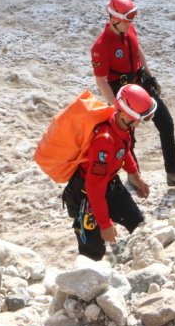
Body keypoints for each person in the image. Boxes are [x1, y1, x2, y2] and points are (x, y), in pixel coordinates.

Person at [90, 0, 175, 186]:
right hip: (121, 92)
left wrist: (150, 77)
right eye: (126, 21)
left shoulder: (129, 30)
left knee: (166, 122)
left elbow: (137, 51)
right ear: (113, 19)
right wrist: (116, 105)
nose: (130, 25)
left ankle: (173, 171)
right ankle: (135, 177)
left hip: (140, 84)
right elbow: (101, 80)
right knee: (128, 137)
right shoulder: (101, 47)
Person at [62, 84, 153, 260]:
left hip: (110, 184)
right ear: (126, 114)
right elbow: (94, 186)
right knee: (92, 252)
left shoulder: (122, 125)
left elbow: (123, 150)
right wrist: (104, 224)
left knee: (139, 227)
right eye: (140, 118)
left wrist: (135, 176)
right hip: (86, 196)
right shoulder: (104, 141)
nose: (141, 122)